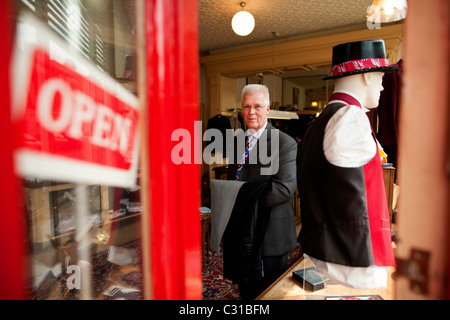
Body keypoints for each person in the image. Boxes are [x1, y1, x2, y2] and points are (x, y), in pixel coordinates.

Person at [296, 40, 397, 289]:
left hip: (328, 251)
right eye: (380, 78)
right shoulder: (350, 118)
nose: (383, 86)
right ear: (367, 76)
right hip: (353, 259)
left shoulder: (318, 124)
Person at [224, 84, 298, 300]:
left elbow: (284, 189)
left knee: (271, 294)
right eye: (246, 106)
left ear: (268, 109)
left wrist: (242, 199)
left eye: (257, 106)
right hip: (241, 232)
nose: (251, 112)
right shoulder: (236, 142)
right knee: (246, 291)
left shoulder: (285, 143)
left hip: (271, 235)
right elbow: (233, 180)